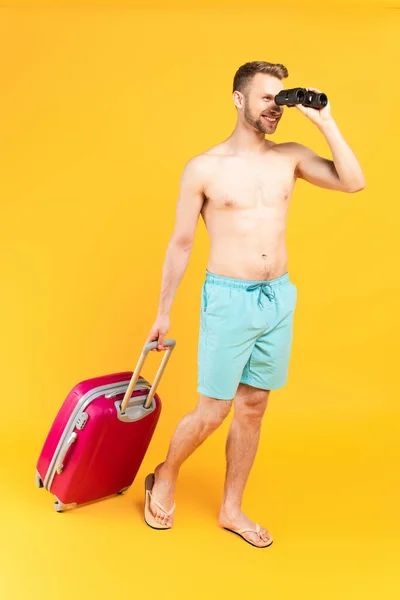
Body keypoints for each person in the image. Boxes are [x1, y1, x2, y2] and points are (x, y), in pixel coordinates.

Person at [143, 61, 365, 547]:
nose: (276, 108)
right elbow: (181, 243)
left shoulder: (290, 156)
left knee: (254, 405)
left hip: (277, 298)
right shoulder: (204, 167)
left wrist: (324, 119)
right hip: (228, 298)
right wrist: (163, 311)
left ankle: (231, 508)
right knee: (212, 410)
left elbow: (353, 181)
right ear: (239, 99)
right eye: (267, 98)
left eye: (281, 98)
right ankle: (165, 474)